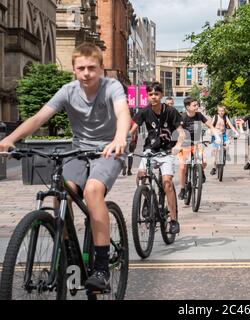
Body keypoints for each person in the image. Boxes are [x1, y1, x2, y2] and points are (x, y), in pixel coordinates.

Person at [0, 43, 131, 291]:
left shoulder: (111, 87)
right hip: (79, 150)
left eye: (92, 68)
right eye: (81, 68)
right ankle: (70, 255)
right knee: (61, 192)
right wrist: (10, 139)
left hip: (108, 150)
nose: (86, 73)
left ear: (101, 68)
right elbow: (39, 117)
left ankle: (101, 268)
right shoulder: (68, 91)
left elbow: (122, 112)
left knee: (92, 191)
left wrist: (120, 137)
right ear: (73, 70)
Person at [130, 82, 185, 234]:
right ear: (147, 96)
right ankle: (146, 198)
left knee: (166, 182)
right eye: (150, 94)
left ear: (161, 95)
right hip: (150, 149)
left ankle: (173, 220)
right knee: (141, 175)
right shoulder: (144, 111)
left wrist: (177, 146)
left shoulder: (171, 111)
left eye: (156, 94)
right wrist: (124, 141)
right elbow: (132, 129)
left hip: (167, 151)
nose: (153, 97)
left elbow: (181, 133)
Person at [178, 97, 221, 200]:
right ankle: (183, 189)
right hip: (185, 144)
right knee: (183, 167)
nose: (197, 107)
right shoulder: (182, 117)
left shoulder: (199, 116)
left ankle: (199, 171)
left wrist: (217, 136)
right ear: (188, 107)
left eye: (197, 105)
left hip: (197, 143)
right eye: (194, 105)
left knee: (204, 163)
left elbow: (211, 126)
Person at [210, 105, 240, 175]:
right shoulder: (216, 117)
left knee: (227, 144)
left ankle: (224, 153)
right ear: (218, 111)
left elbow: (231, 125)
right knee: (215, 151)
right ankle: (214, 168)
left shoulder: (225, 117)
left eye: (222, 111)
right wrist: (210, 131)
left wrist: (236, 132)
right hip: (216, 135)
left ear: (224, 111)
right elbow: (211, 125)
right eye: (220, 111)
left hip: (223, 135)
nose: (221, 112)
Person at [122, 108, 138, 176]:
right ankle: (129, 170)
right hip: (132, 141)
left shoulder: (123, 121)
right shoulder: (134, 122)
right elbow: (136, 133)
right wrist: (135, 141)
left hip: (124, 140)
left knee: (122, 154)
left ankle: (124, 165)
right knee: (130, 155)